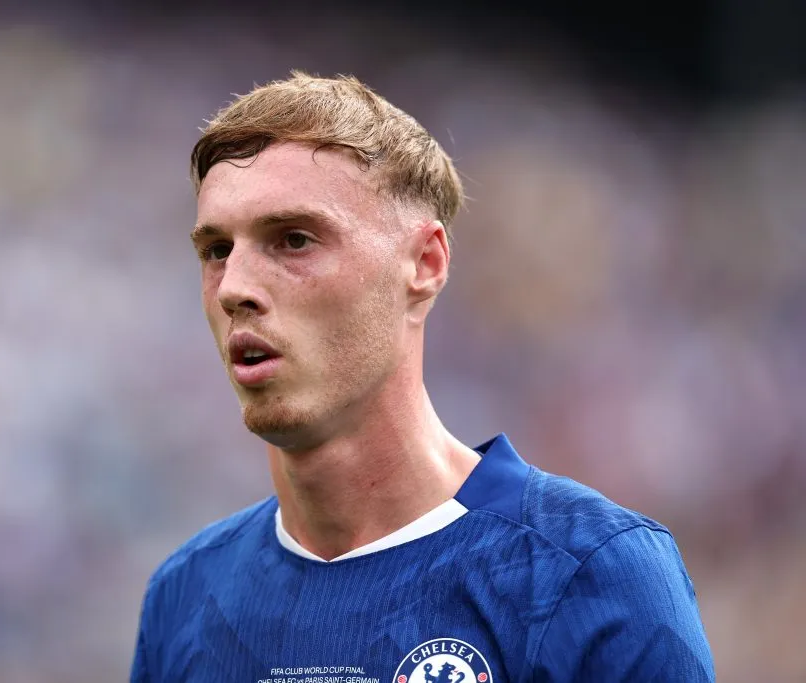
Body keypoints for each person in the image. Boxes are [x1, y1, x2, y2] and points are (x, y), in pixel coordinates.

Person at [130, 72, 715, 682]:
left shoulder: (591, 574)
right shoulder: (186, 595)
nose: (234, 289)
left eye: (294, 240)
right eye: (216, 249)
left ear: (425, 264)